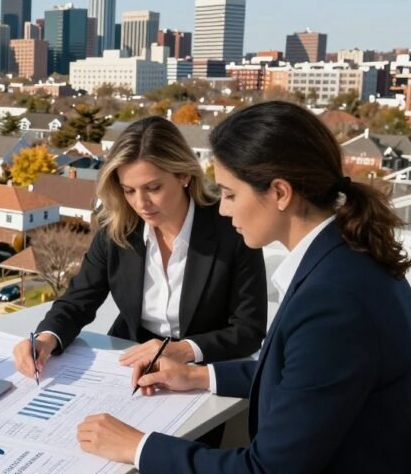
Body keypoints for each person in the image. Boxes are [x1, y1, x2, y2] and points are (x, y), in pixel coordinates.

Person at [76, 101, 411, 472]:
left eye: (230, 194)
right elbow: (301, 377)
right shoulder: (348, 259)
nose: (223, 210)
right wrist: (198, 375)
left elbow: (264, 470)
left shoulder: (333, 303)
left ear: (280, 193)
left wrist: (137, 447)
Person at [13, 116, 267, 383]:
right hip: (128, 363)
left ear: (183, 175)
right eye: (129, 190)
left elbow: (249, 330)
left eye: (153, 188)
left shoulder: (232, 228)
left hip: (199, 372)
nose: (141, 203)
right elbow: (77, 302)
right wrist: (46, 338)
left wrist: (182, 350)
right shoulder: (116, 230)